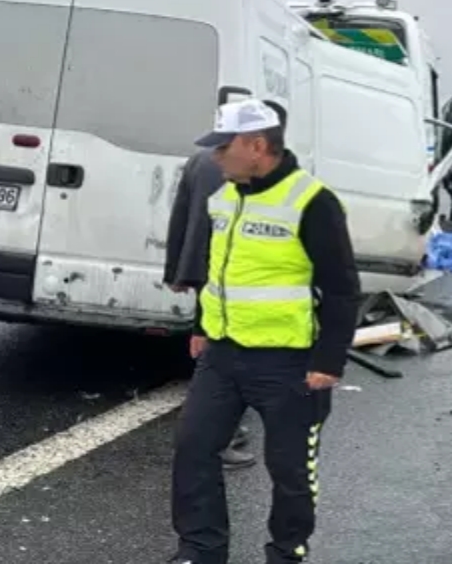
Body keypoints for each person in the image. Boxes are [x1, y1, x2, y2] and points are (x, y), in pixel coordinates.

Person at [169, 99, 360, 564]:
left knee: (290, 470)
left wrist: (328, 361)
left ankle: (286, 551)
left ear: (257, 146)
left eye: (223, 147)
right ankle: (201, 549)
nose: (215, 157)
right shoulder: (224, 198)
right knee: (193, 450)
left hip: (289, 362)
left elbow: (341, 288)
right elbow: (220, 272)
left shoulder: (312, 201)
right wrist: (201, 325)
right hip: (223, 355)